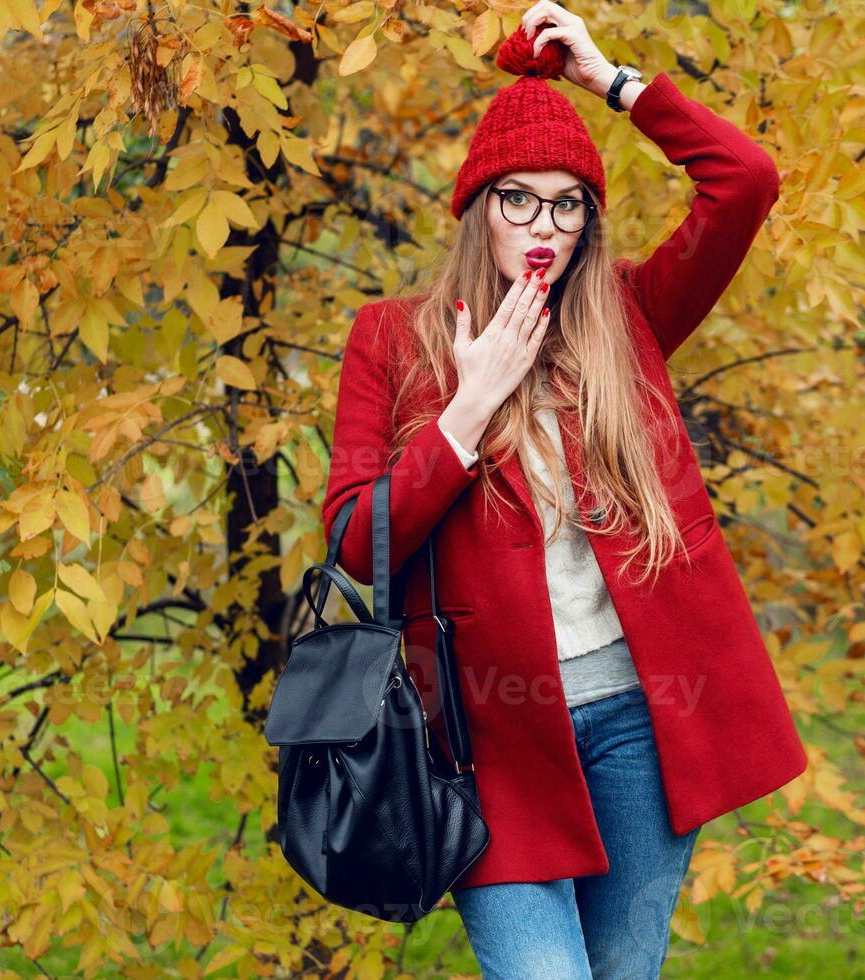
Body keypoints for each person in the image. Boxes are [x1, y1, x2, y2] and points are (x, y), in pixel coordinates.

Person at [320, 2, 805, 976]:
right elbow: (353, 538)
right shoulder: (392, 340)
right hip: (484, 738)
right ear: (476, 207)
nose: (543, 225)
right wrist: (467, 414)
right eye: (518, 199)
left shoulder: (625, 317)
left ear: (588, 220)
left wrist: (612, 81)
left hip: (641, 718)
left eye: (566, 203)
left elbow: (745, 180)